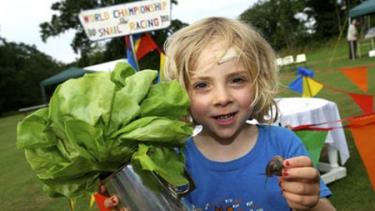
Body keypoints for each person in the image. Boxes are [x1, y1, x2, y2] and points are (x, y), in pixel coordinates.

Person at [105, 17, 336, 211]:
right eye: (202, 85)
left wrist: (311, 201)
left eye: (237, 80)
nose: (222, 98)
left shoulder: (283, 143)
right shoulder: (175, 160)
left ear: (258, 83)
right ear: (179, 96)